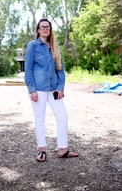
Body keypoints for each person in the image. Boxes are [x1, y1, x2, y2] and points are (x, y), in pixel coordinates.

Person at [24, 18, 78, 162]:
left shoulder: (54, 47)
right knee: (40, 119)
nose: (45, 29)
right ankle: (42, 150)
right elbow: (28, 69)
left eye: (47, 27)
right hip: (39, 90)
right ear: (38, 30)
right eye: (42, 27)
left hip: (53, 89)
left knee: (62, 116)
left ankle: (63, 149)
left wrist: (60, 88)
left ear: (50, 29)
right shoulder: (32, 46)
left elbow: (60, 69)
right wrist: (32, 90)